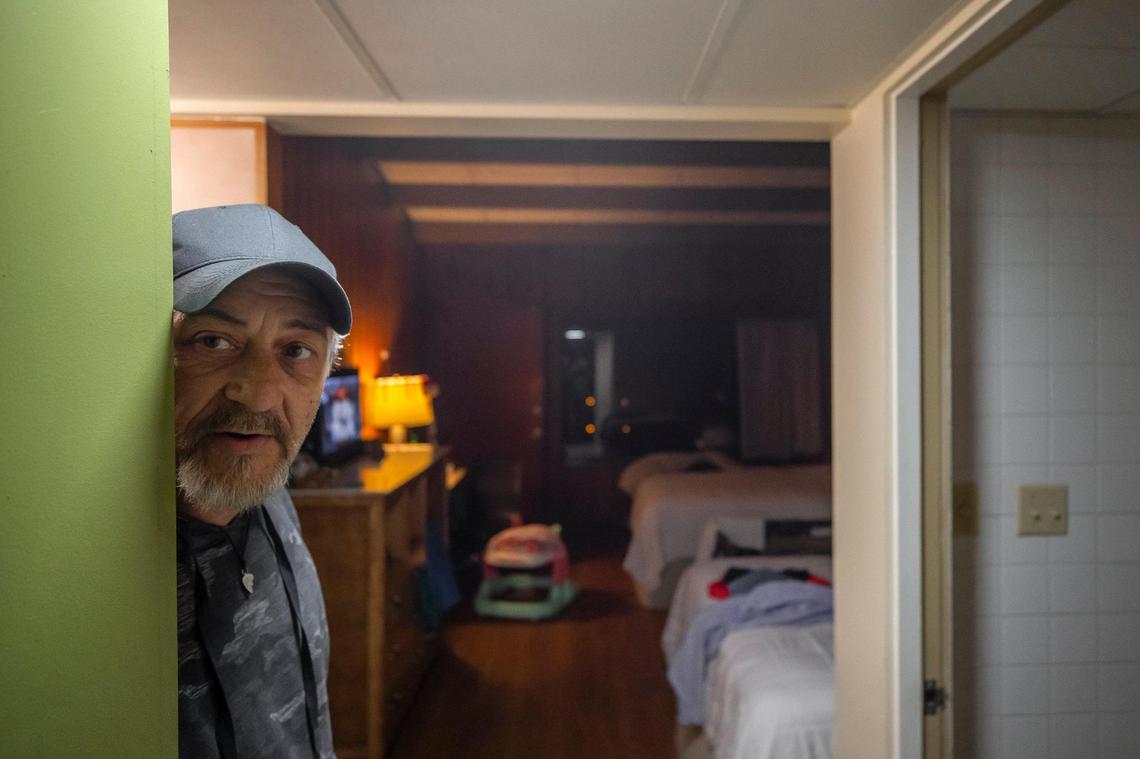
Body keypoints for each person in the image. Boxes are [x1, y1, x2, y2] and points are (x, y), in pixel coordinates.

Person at [172, 204, 351, 759]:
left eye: (296, 351)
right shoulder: (81, 569)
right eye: (213, 342)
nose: (257, 393)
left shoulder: (272, 497)